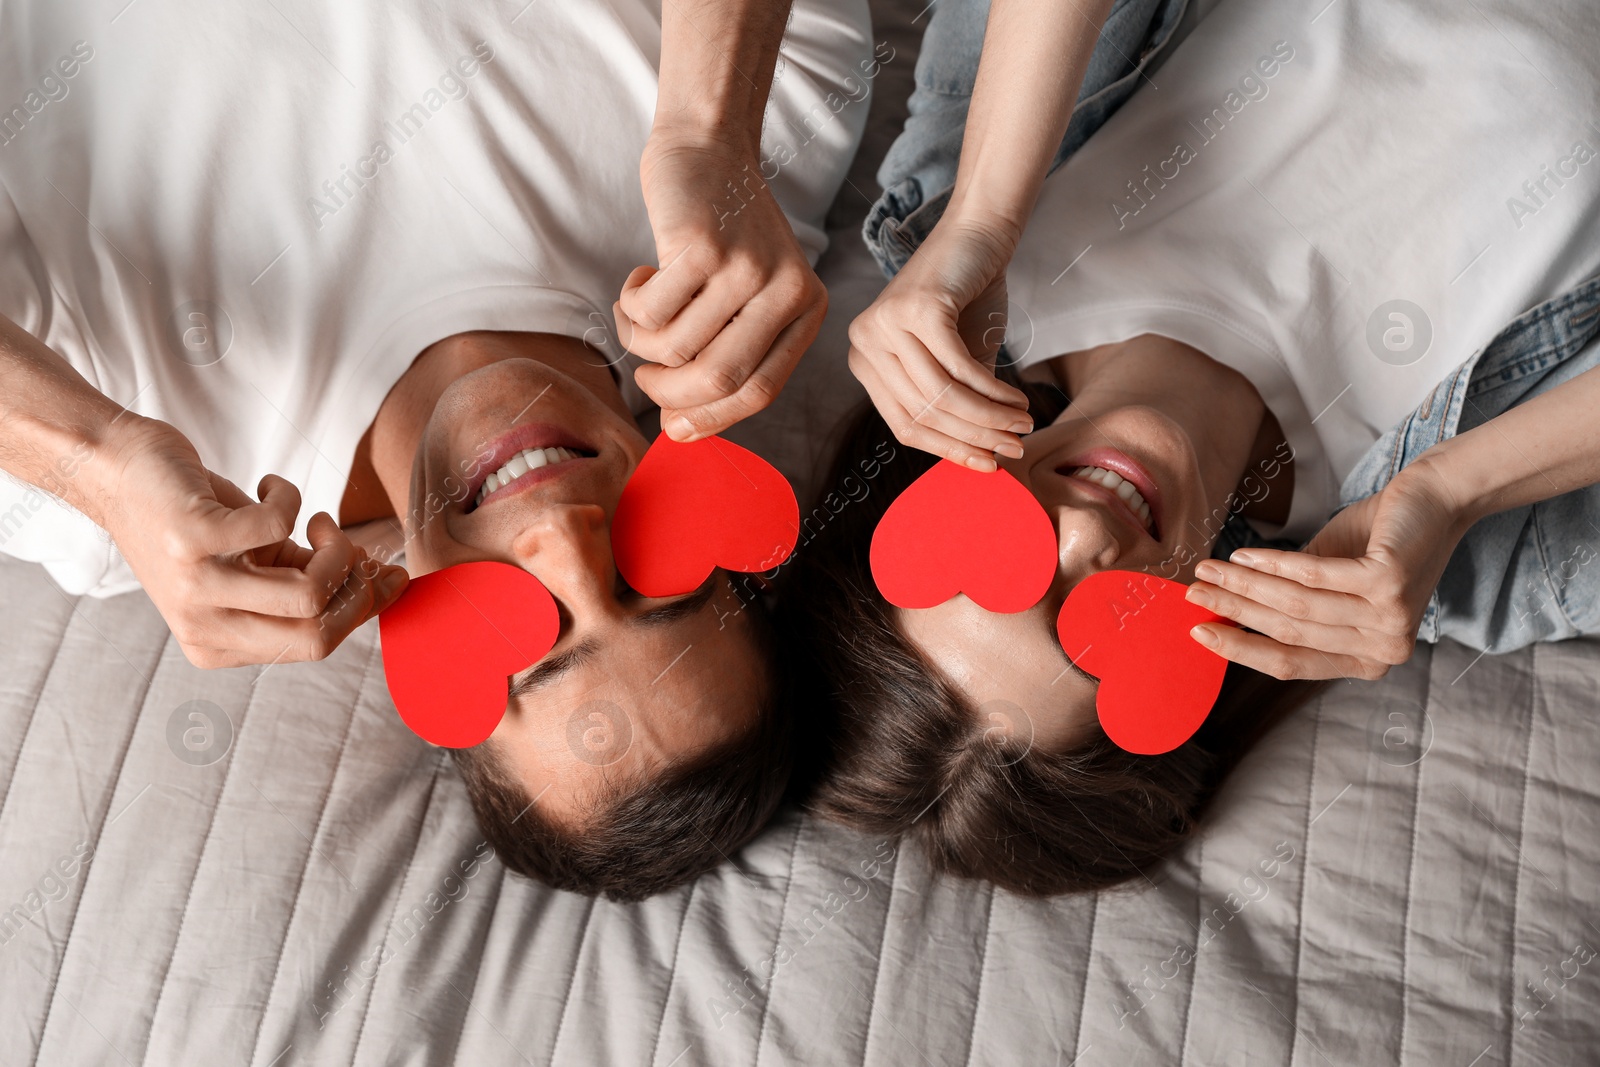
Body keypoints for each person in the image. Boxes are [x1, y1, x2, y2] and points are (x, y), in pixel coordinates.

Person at [0, 0, 871, 899]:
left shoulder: (110, 494)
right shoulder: (743, 208)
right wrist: (707, 130)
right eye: (657, 578)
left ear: (424, 661)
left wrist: (96, 455)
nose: (566, 542)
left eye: (533, 638)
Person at [790, 0, 1600, 894]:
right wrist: (1456, 487)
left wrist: (979, 220)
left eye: (1001, 561)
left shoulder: (953, 230)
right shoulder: (1487, 562)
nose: (1085, 545)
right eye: (1099, 635)